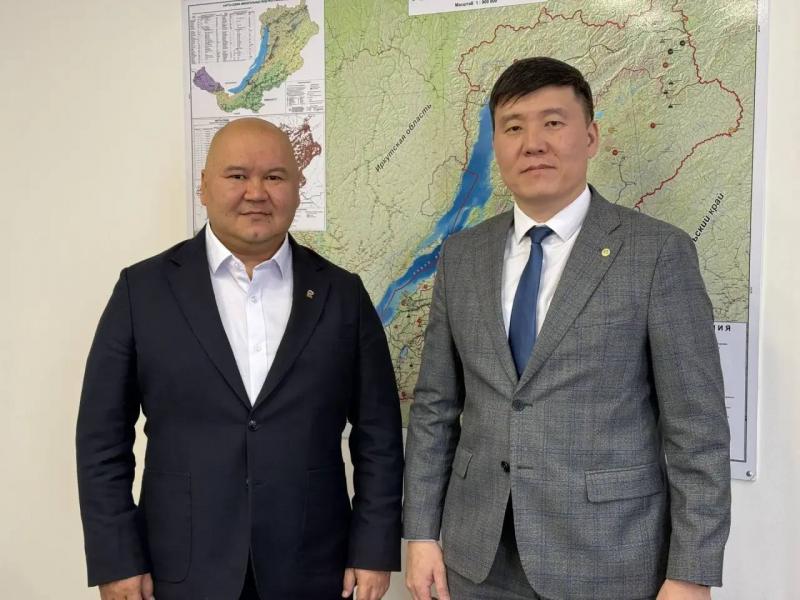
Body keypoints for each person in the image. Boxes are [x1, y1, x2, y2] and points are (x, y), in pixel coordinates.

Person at [403, 57, 731, 600]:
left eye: (553, 123)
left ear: (591, 136)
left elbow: (697, 429)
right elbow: (435, 407)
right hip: (476, 558)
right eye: (513, 127)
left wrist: (691, 573)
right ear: (497, 145)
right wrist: (419, 533)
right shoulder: (462, 256)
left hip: (608, 558)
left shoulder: (656, 253)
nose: (533, 143)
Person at [76, 118, 403, 600]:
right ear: (204, 186)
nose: (256, 192)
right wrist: (117, 559)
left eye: (274, 176)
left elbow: (379, 435)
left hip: (314, 568)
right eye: (237, 176)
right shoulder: (141, 292)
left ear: (298, 187)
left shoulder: (343, 295)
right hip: (179, 570)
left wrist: (373, 548)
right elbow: (101, 439)